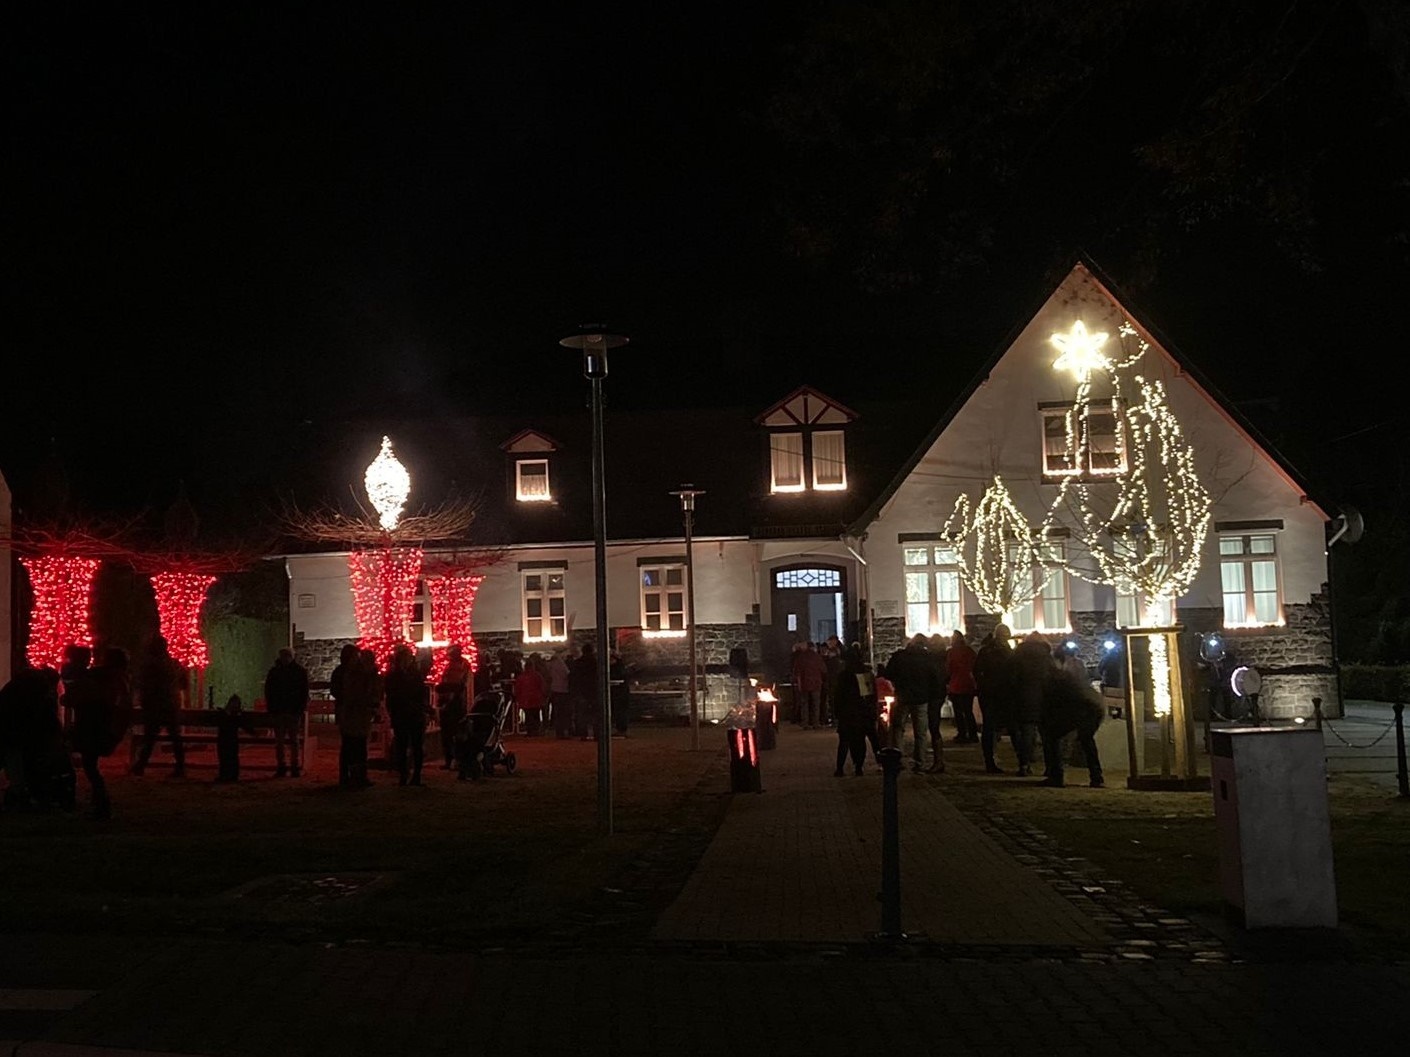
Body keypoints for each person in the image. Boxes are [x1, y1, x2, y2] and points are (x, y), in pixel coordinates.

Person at [66, 646, 131, 818]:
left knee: (89, 764)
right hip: (103, 726)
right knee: (90, 764)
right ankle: (98, 800)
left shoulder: (99, 677)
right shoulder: (118, 679)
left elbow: (76, 697)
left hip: (94, 726)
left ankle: (101, 802)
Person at [1040, 659, 1106, 787]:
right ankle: (1097, 777)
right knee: (1087, 741)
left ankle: (1056, 776)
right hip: (1093, 707)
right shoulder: (1068, 677)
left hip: (1081, 708)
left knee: (1053, 738)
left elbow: (1057, 704)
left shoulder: (1053, 681)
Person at [884, 634, 943, 773]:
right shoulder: (928, 658)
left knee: (898, 728)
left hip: (903, 697)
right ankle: (920, 762)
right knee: (920, 732)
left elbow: (888, 673)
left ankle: (897, 758)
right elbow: (935, 678)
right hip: (921, 699)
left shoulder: (900, 656)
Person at [130, 634, 187, 777]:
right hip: (171, 705)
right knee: (175, 737)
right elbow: (183, 683)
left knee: (150, 737)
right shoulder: (174, 664)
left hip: (154, 705)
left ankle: (140, 766)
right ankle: (180, 766)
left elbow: (142, 684)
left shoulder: (149, 665)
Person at [384, 643, 430, 786]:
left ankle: (416, 775)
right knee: (402, 745)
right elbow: (391, 695)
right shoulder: (394, 676)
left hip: (414, 713)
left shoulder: (414, 674)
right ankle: (404, 774)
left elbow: (421, 693)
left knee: (416, 745)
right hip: (402, 713)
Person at [974, 624, 1017, 774]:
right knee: (996, 728)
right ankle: (994, 760)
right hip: (998, 694)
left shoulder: (987, 651)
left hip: (991, 694)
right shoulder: (1006, 653)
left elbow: (977, 672)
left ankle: (991, 760)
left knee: (991, 728)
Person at [1013, 632, 1057, 777]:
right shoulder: (1047, 658)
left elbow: (1010, 678)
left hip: (1023, 700)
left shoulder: (1017, 657)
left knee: (1027, 734)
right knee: (1047, 736)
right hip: (1044, 700)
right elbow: (1053, 678)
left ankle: (1024, 764)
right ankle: (1050, 767)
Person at [264, 647, 310, 778]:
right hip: (285, 710)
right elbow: (303, 692)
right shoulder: (298, 672)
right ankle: (287, 766)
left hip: (287, 711)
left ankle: (287, 766)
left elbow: (269, 691)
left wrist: (299, 709)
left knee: (287, 741)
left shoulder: (276, 672)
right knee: (286, 741)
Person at [831, 644, 876, 776]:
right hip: (862, 711)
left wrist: (837, 712)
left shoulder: (844, 675)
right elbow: (870, 694)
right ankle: (858, 767)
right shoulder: (866, 674)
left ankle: (840, 768)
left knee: (844, 741)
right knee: (859, 740)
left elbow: (838, 695)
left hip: (847, 712)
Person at [435, 643, 473, 766]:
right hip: (448, 702)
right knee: (447, 734)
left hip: (456, 702)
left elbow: (459, 684)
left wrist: (445, 690)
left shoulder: (462, 665)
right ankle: (450, 759)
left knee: (456, 733)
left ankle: (457, 759)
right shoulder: (452, 665)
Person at [945, 630, 980, 743]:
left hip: (956, 684)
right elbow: (975, 666)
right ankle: (972, 733)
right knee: (968, 711)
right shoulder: (969, 651)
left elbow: (949, 668)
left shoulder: (952, 652)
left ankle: (962, 733)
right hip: (968, 684)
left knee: (958, 711)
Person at [214, 694, 257, 783]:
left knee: (225, 758)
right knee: (232, 757)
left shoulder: (224, 715)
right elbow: (246, 726)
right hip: (231, 741)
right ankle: (232, 775)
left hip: (224, 740)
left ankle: (225, 775)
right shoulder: (237, 717)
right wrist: (254, 733)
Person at [925, 633, 951, 768]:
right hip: (939, 693)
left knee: (933, 726)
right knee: (933, 727)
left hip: (933, 694)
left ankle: (938, 761)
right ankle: (938, 760)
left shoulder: (931, 660)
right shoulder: (945, 657)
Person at [791, 641, 827, 730]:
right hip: (816, 683)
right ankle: (816, 723)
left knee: (804, 704)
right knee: (816, 704)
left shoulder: (801, 657)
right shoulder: (817, 657)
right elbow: (824, 670)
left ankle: (805, 723)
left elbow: (796, 670)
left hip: (803, 684)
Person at [568, 643, 598, 741]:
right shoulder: (596, 663)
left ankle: (583, 734)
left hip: (581, 691)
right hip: (594, 691)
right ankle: (597, 734)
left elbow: (572, 678)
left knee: (582, 715)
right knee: (595, 714)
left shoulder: (577, 663)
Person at [515, 653, 548, 736]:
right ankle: (535, 730)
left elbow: (517, 688)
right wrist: (544, 695)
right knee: (535, 715)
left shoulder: (521, 677)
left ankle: (530, 731)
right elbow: (542, 686)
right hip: (536, 698)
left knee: (528, 715)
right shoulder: (537, 675)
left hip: (525, 699)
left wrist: (517, 697)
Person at [547, 649, 573, 738]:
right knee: (563, 712)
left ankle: (559, 731)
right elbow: (567, 674)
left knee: (557, 712)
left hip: (554, 689)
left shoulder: (551, 664)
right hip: (563, 690)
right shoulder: (561, 664)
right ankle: (563, 731)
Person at [820, 634, 844, 728]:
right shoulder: (837, 657)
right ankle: (835, 719)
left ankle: (835, 719)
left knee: (834, 700)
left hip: (833, 681)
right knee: (833, 700)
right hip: (832, 681)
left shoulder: (835, 659)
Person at [608, 651, 631, 737]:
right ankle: (621, 729)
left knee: (620, 712)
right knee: (620, 712)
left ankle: (621, 729)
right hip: (620, 693)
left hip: (619, 693)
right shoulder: (620, 667)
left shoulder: (617, 668)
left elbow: (617, 679)